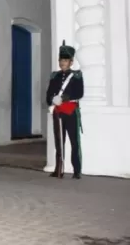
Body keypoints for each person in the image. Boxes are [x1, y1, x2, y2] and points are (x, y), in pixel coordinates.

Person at [46, 40, 84, 179]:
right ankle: (59, 169)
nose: (62, 62)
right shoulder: (54, 76)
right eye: (61, 60)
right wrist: (52, 99)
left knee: (75, 142)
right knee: (59, 142)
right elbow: (48, 94)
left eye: (66, 60)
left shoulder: (76, 76)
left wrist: (64, 98)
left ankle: (77, 170)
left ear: (71, 62)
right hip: (58, 112)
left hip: (71, 112)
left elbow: (79, 93)